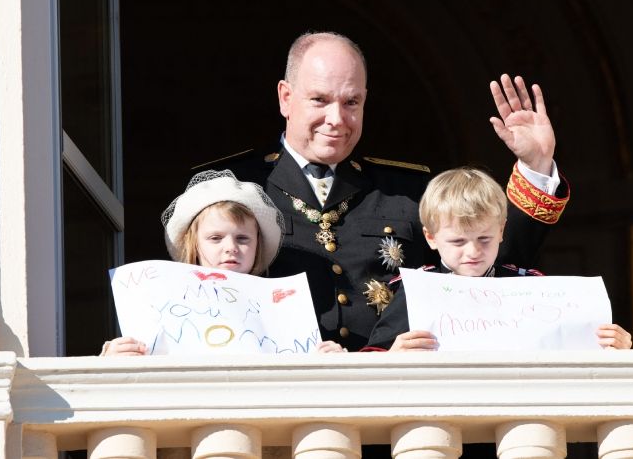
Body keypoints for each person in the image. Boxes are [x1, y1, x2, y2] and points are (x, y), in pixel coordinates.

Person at [196, 31, 570, 352]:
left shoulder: (407, 190)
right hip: (282, 406)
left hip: (396, 410)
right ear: (285, 97)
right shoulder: (231, 187)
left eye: (351, 102)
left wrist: (536, 165)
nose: (337, 119)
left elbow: (490, 262)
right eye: (320, 100)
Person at [364, 167, 633, 352]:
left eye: (484, 239)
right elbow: (372, 356)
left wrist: (615, 347)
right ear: (431, 238)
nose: (472, 252)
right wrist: (392, 355)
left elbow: (579, 348)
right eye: (458, 241)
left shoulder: (530, 285)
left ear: (501, 231)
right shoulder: (414, 290)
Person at [102, 169, 345, 355]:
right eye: (215, 238)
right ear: (193, 244)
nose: (230, 248)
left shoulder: (283, 308)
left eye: (242, 238)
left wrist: (328, 360)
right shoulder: (158, 300)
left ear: (258, 245)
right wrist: (114, 358)